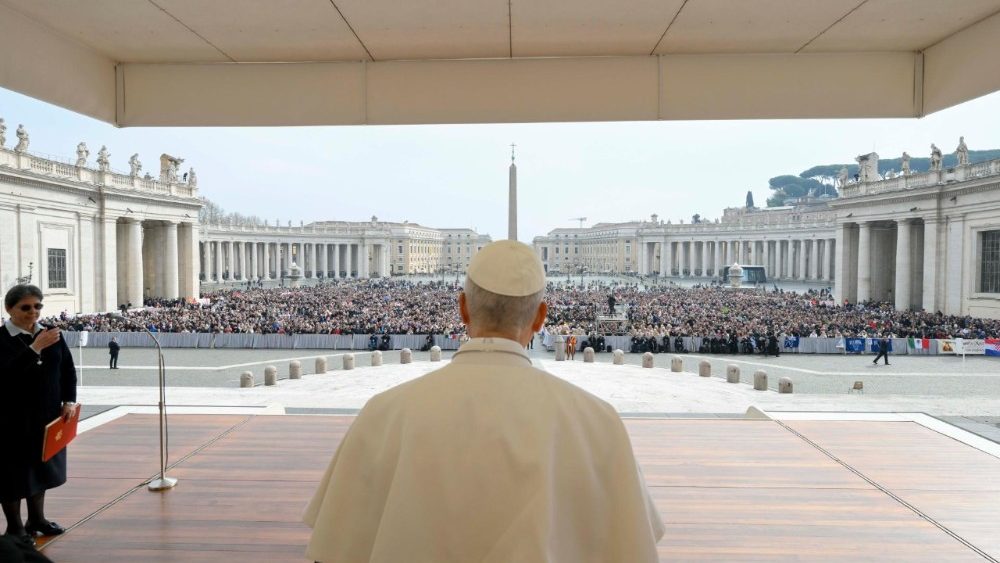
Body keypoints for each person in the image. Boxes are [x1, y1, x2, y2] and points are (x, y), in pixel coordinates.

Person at [304, 240, 664, 562]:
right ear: (541, 317)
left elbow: (333, 550)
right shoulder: (599, 423)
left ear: (462, 309)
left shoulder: (382, 414)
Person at [1, 285, 77, 548]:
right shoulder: (2, 339)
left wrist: (69, 400)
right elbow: (5, 375)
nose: (33, 312)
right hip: (12, 419)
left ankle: (37, 520)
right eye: (26, 307)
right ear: (9, 309)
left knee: (40, 469)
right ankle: (15, 528)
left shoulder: (51, 334)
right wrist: (34, 349)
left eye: (37, 306)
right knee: (12, 474)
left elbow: (67, 368)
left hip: (47, 416)